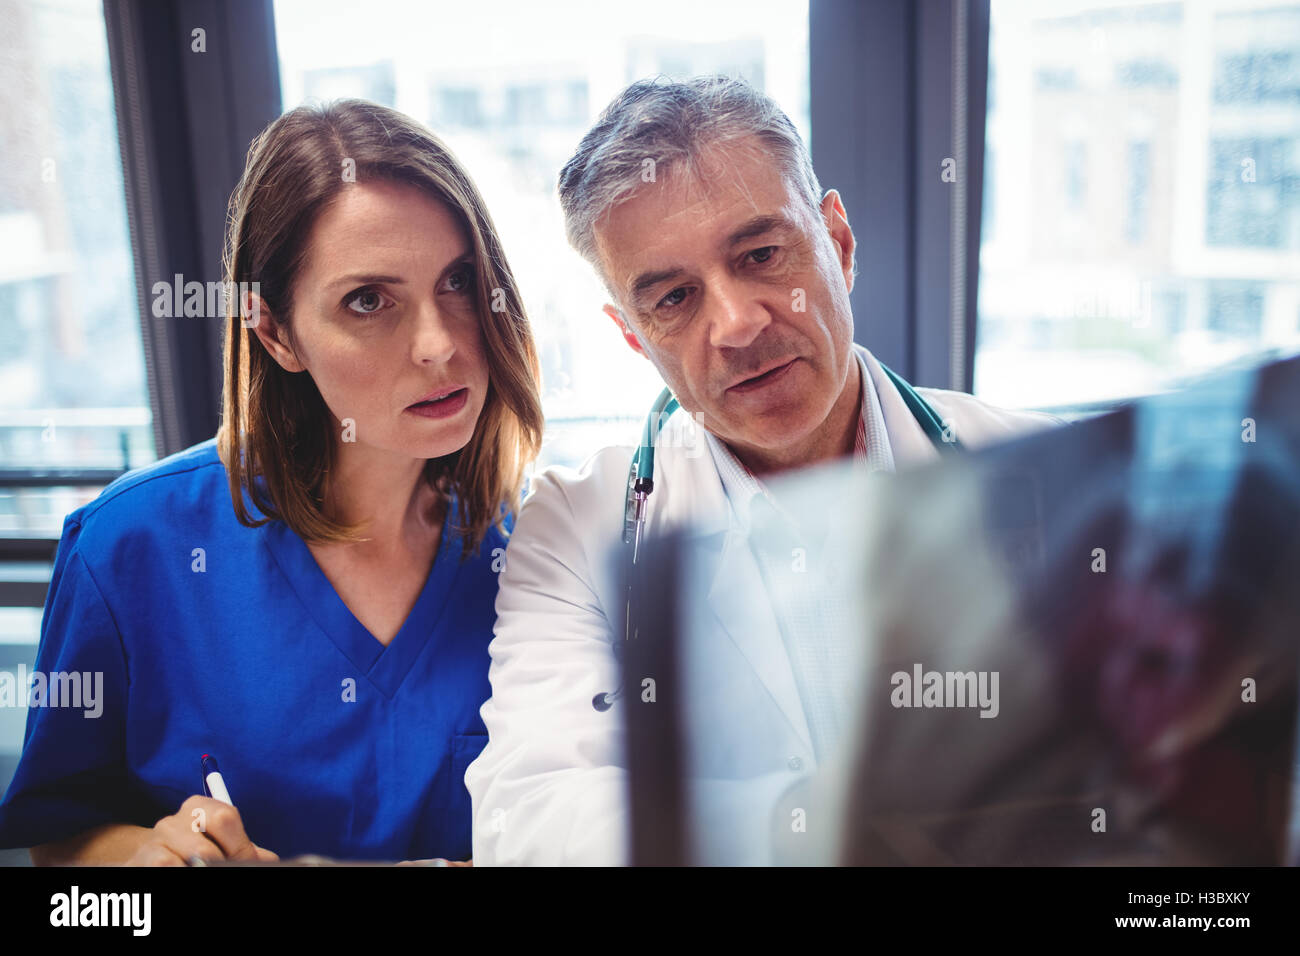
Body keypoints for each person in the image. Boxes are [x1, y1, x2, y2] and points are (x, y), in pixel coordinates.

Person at [465, 76, 1062, 865]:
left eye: (761, 254)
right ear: (635, 337)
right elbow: (530, 816)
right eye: (674, 297)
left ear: (838, 243)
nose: (738, 323)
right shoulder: (577, 527)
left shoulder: (1046, 478)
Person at [0, 100, 543, 865]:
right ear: (277, 333)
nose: (440, 343)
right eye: (368, 301)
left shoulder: (536, 554)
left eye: (458, 281)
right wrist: (147, 861)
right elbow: (60, 852)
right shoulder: (130, 550)